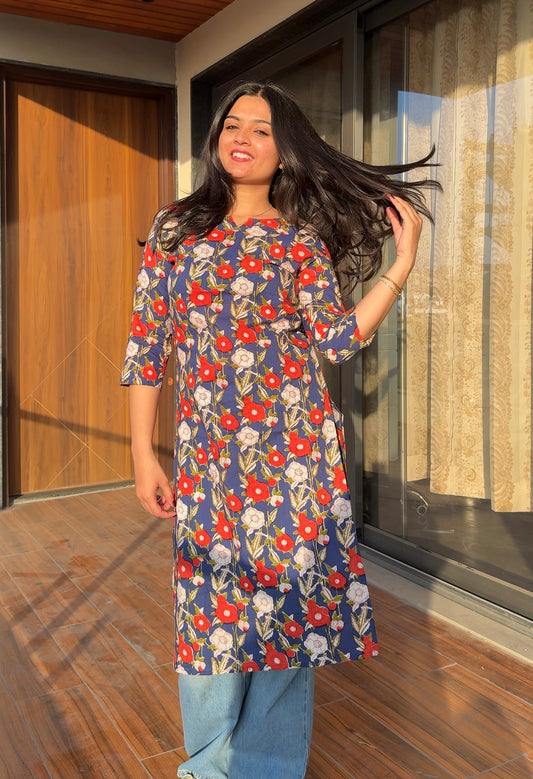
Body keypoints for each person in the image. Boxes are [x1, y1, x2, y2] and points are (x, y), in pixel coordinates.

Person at [121, 81, 439, 779]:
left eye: (261, 129)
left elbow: (333, 339)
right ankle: (207, 766)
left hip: (295, 457)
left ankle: (265, 767)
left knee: (288, 617)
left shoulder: (298, 242)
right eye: (232, 124)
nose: (241, 136)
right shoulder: (174, 229)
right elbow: (149, 347)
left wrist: (401, 267)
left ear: (285, 152)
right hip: (207, 462)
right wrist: (143, 451)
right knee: (207, 616)